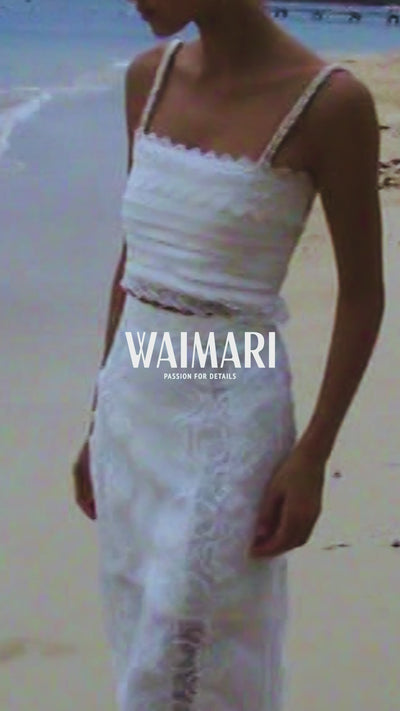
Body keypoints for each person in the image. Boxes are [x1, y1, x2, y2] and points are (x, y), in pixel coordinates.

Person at [72, 0, 384, 708]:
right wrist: (96, 416)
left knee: (190, 651)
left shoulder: (331, 104)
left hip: (229, 424)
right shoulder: (148, 78)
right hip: (131, 415)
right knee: (138, 637)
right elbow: (133, 262)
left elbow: (363, 295)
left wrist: (312, 454)